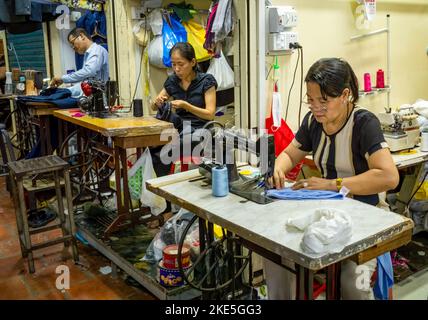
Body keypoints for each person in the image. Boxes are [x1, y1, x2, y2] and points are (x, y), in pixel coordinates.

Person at [265, 57, 399, 300]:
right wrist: (277, 168)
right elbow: (290, 154)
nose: (316, 107)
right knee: (277, 255)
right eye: (311, 100)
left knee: (351, 280)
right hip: (328, 215)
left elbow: (389, 177)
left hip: (367, 220)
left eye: (323, 101)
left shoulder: (364, 123)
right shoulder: (313, 123)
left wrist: (330, 185)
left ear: (346, 94)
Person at [150, 42, 217, 177]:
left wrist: (186, 106)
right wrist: (156, 102)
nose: (176, 69)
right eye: (174, 64)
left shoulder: (206, 81)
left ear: (192, 62)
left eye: (181, 64)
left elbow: (210, 115)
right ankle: (165, 190)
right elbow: (153, 106)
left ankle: (167, 189)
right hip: (180, 129)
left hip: (202, 130)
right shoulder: (172, 81)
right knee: (153, 146)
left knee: (166, 151)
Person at [50, 27, 109, 96]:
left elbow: (89, 71)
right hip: (93, 98)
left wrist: (63, 78)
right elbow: (85, 84)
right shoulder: (88, 54)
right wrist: (64, 91)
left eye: (72, 43)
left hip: (100, 100)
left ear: (81, 36)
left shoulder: (97, 51)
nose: (73, 47)